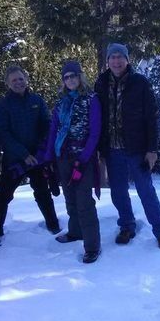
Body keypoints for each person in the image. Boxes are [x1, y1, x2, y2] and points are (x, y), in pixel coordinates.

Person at [94, 43, 160, 251]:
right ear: (107, 61)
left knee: (146, 190)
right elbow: (97, 118)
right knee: (118, 192)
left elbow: (151, 118)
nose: (116, 61)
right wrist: (99, 149)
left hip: (137, 148)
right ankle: (127, 226)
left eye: (120, 57)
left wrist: (152, 149)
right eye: (113, 57)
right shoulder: (101, 83)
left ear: (127, 60)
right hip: (112, 149)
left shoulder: (140, 83)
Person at [0, 65, 61, 238]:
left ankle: (53, 225)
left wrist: (39, 152)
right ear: (8, 83)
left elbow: (47, 125)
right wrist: (23, 154)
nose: (18, 82)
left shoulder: (36, 100)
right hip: (15, 159)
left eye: (21, 79)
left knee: (43, 193)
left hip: (37, 158)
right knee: (4, 195)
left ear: (26, 80)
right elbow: (2, 133)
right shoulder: (3, 105)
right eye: (14, 80)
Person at [45, 60, 102, 264]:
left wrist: (85, 158)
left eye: (73, 76)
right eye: (66, 77)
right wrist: (49, 157)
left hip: (82, 157)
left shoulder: (91, 99)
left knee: (84, 201)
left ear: (80, 77)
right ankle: (75, 231)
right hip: (63, 156)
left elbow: (95, 132)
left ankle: (92, 245)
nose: (70, 80)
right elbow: (54, 130)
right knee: (70, 198)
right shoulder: (61, 103)